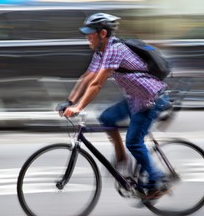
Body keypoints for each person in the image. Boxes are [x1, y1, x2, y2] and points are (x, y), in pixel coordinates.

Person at [57, 13, 171, 198]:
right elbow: (87, 77)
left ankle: (158, 180)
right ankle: (121, 158)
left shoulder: (114, 50)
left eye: (90, 33)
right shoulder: (101, 52)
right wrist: (70, 101)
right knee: (107, 117)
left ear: (102, 33)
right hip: (135, 98)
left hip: (151, 99)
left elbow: (97, 84)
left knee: (134, 142)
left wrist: (79, 107)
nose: (87, 36)